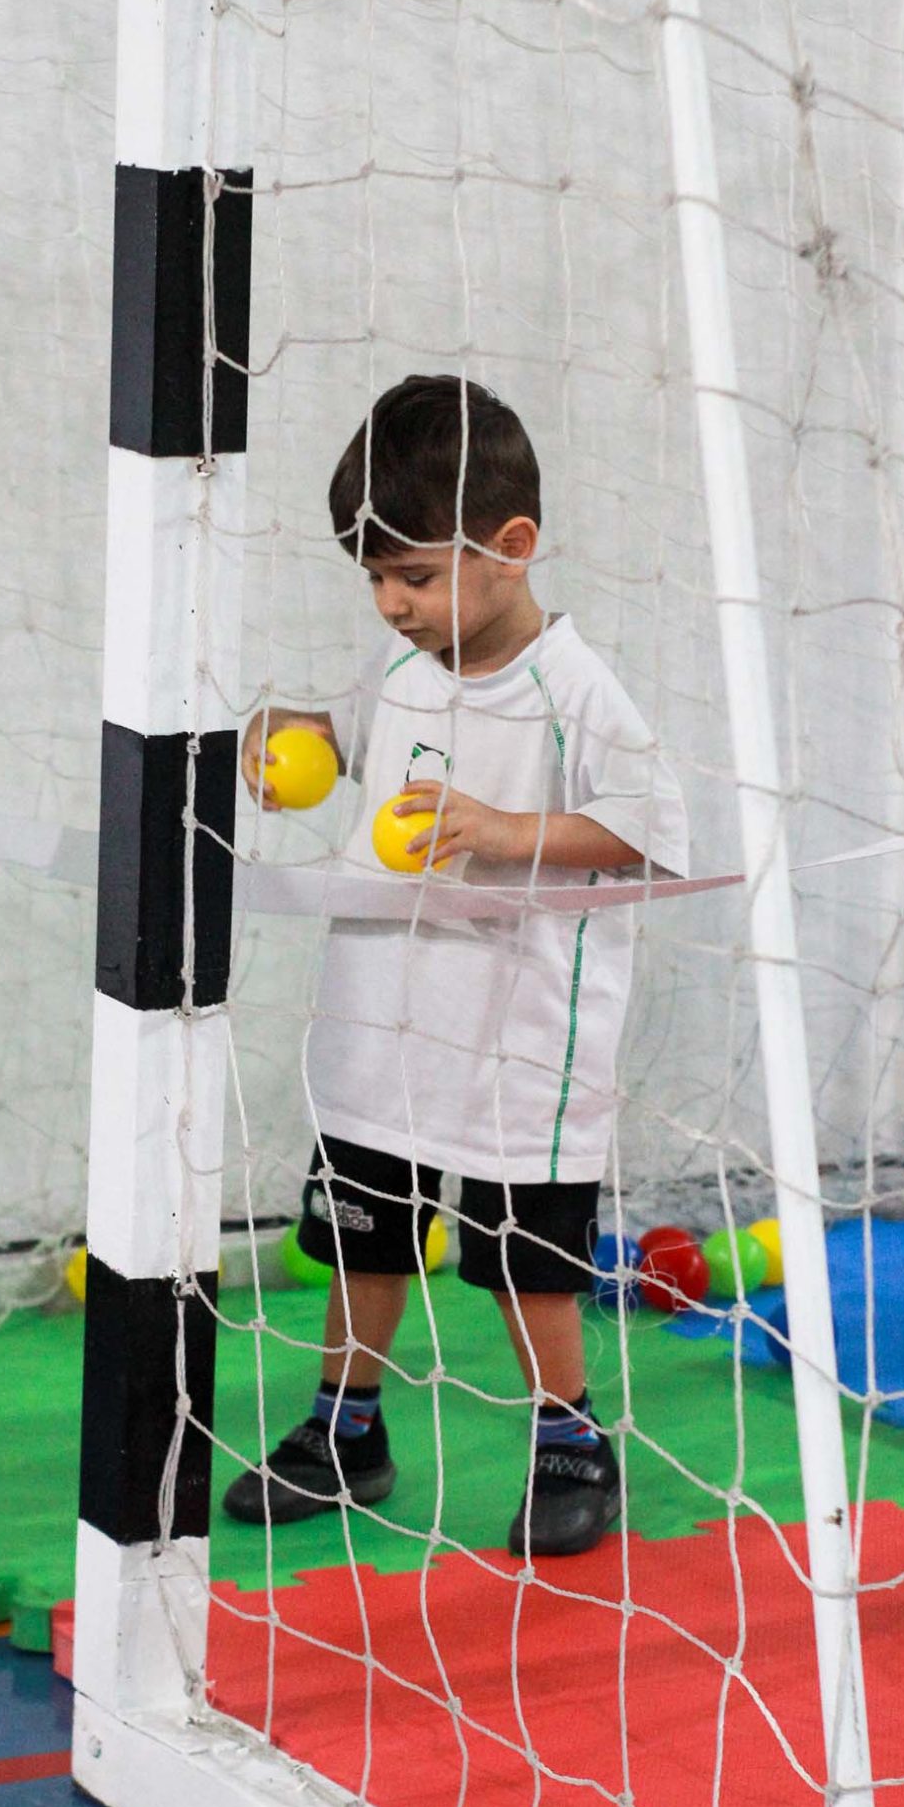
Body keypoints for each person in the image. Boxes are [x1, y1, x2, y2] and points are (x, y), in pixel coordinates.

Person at [227, 375, 689, 1555]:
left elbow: (650, 829)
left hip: (517, 1035)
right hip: (381, 1018)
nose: (391, 603)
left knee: (522, 1259)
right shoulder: (398, 664)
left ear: (511, 546)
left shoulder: (577, 689)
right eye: (374, 578)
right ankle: (346, 1426)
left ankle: (571, 1440)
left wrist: (502, 828)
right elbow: (344, 736)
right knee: (362, 1233)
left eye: (414, 577)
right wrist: (289, 740)